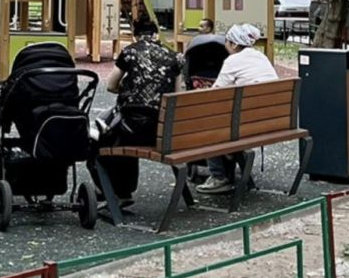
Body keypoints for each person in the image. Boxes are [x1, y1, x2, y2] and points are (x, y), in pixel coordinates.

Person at [91, 14, 180, 206]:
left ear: (135, 35)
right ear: (156, 35)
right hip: (163, 130)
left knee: (101, 141)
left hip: (133, 128)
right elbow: (177, 95)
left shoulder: (130, 52)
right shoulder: (174, 56)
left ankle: (114, 191)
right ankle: (123, 192)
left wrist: (129, 91)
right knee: (121, 138)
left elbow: (111, 85)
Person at [198, 23, 277, 195]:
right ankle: (229, 153)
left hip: (246, 124)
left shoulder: (232, 61)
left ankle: (219, 177)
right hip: (271, 120)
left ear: (233, 44)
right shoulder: (261, 57)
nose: (225, 45)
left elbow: (216, 93)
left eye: (226, 41)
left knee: (207, 124)